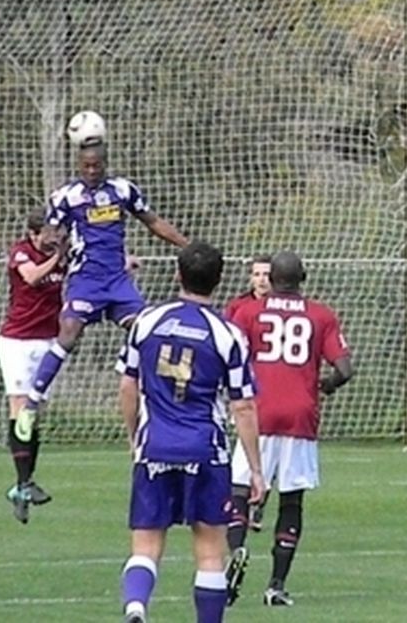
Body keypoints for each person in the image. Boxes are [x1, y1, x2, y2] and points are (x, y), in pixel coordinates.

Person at [117, 241, 265, 623]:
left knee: (146, 545)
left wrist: (136, 438)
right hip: (205, 451)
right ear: (218, 282)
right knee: (211, 551)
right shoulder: (228, 334)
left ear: (177, 274)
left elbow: (128, 387)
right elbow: (243, 406)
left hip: (155, 447)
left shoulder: (146, 321)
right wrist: (256, 471)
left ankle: (135, 608)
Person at [14, 134, 190, 445]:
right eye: (86, 166)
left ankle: (171, 408)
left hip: (118, 282)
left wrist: (188, 246)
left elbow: (153, 221)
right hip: (87, 281)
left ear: (105, 164)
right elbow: (50, 233)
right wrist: (62, 244)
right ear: (79, 166)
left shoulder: (123, 190)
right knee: (68, 331)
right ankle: (32, 403)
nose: (92, 171)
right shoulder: (66, 197)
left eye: (96, 165)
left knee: (149, 332)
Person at [223, 251, 353, 607]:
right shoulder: (321, 315)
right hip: (300, 416)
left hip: (258, 412)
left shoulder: (247, 312)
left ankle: (235, 553)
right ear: (303, 277)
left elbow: (228, 356)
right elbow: (344, 369)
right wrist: (323, 385)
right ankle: (275, 586)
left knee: (240, 490)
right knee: (291, 501)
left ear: (271, 280)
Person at [0, 209, 66, 523]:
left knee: (33, 413)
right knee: (20, 407)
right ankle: (24, 483)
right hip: (18, 341)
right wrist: (59, 258)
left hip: (48, 341)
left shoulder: (60, 254)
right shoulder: (21, 252)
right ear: (35, 233)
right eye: (50, 233)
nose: (56, 238)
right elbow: (33, 277)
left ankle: (23, 485)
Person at [222, 254, 271, 531]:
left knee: (268, 449)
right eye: (257, 274)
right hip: (244, 389)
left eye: (266, 274)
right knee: (240, 447)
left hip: (272, 392)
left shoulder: (285, 308)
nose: (262, 279)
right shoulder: (238, 307)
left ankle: (256, 504)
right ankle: (236, 505)